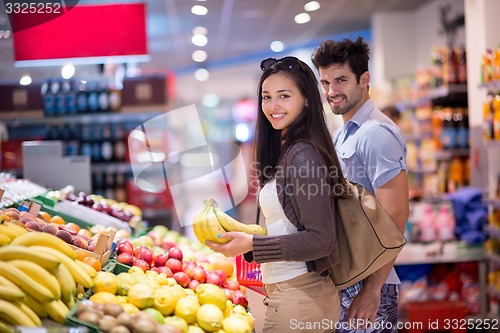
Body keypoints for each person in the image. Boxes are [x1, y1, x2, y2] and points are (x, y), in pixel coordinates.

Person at [207, 56, 344, 332]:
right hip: (291, 295)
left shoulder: (303, 155)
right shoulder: (289, 149)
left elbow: (321, 240)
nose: (273, 106)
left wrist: (253, 245)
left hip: (301, 299)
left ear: (306, 100)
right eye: (266, 97)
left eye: (284, 96)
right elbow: (291, 226)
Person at [311, 37, 409, 332]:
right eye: (325, 82)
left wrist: (373, 288)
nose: (331, 91)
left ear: (364, 79)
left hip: (370, 282)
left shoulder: (375, 134)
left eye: (340, 80)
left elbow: (395, 216)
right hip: (350, 278)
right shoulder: (343, 134)